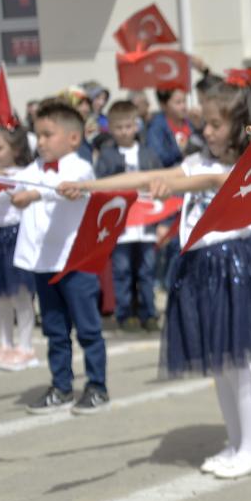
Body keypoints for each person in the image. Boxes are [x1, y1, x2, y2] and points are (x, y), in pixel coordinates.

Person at [60, 75, 251, 480]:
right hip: (199, 265)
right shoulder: (197, 160)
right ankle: (235, 443)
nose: (205, 131)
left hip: (231, 266)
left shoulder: (244, 169)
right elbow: (147, 179)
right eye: (205, 123)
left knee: (237, 362)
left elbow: (203, 182)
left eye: (215, 124)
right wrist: (89, 186)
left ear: (240, 126)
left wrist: (169, 184)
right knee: (219, 362)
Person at [11, 99, 107, 414]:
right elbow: (8, 177)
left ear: (73, 139)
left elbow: (63, 187)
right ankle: (61, 386)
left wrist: (34, 193)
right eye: (37, 135)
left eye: (47, 134)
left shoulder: (80, 166)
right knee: (54, 330)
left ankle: (97, 386)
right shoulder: (31, 170)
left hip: (75, 263)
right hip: (44, 265)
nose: (40, 142)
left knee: (88, 328)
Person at [96, 101, 163, 331]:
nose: (125, 131)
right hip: (121, 226)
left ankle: (149, 312)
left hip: (146, 225)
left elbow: (162, 186)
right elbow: (101, 188)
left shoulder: (148, 154)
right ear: (111, 129)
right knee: (122, 270)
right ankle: (125, 313)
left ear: (136, 126)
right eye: (119, 127)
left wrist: (163, 221)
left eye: (128, 126)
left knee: (147, 271)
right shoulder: (106, 157)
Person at [0, 125, 37, 371]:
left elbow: (8, 181)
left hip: (13, 236)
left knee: (20, 293)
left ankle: (26, 347)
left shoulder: (23, 173)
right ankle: (5, 343)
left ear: (16, 148)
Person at [145, 87, 196, 168]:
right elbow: (156, 157)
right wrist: (180, 150)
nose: (184, 106)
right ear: (163, 105)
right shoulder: (156, 128)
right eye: (178, 103)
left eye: (184, 101)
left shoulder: (191, 121)